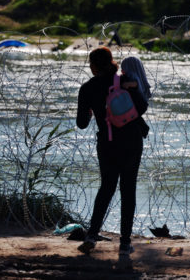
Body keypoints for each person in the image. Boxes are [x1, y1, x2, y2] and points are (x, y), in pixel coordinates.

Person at [76, 47, 149, 255]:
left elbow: (81, 123)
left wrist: (93, 111)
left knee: (106, 188)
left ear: (93, 66)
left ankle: (91, 235)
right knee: (128, 190)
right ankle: (125, 243)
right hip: (132, 141)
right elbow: (142, 108)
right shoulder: (124, 81)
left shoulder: (87, 88)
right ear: (111, 61)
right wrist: (132, 89)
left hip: (107, 144)